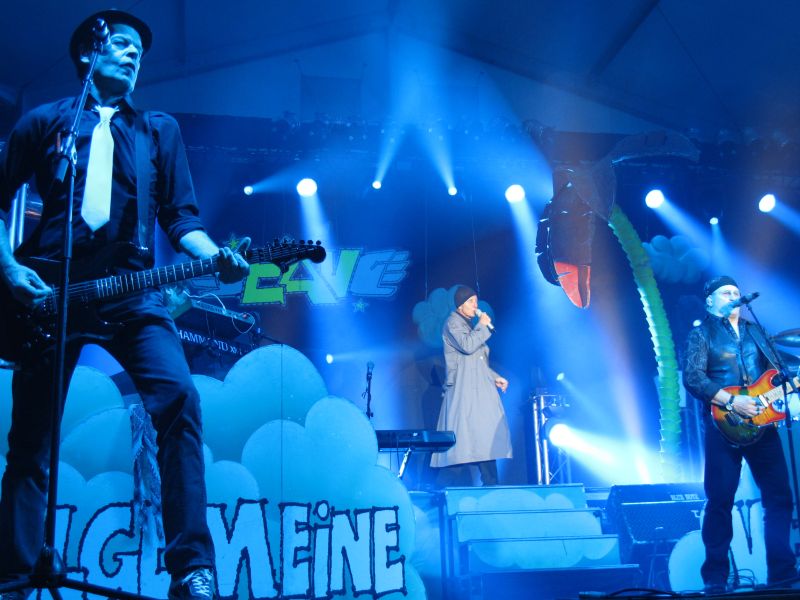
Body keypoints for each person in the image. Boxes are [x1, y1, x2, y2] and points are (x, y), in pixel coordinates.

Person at [0, 10, 250, 600]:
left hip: (133, 290)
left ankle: (191, 568)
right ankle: (12, 577)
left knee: (180, 399)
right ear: (88, 53)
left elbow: (181, 219)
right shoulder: (45, 122)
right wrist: (8, 267)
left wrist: (215, 255)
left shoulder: (157, 131)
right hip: (51, 293)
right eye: (121, 43)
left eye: (140, 48)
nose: (134, 53)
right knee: (31, 439)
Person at [683, 275, 796, 592]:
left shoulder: (755, 331)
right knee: (720, 501)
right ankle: (715, 578)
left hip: (763, 424)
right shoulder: (701, 334)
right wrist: (731, 401)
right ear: (710, 301)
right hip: (723, 425)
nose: (733, 295)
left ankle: (782, 573)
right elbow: (693, 378)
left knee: (780, 498)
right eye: (725, 292)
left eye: (736, 291)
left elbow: (777, 373)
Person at [430, 285, 512, 486]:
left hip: (479, 392)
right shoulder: (452, 323)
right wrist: (482, 325)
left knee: (484, 439)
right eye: (471, 301)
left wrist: (494, 377)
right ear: (460, 305)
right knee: (461, 443)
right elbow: (467, 346)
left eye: (476, 301)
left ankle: (492, 487)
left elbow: (477, 362)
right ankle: (439, 491)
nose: (476, 305)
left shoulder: (470, 326)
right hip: (463, 392)